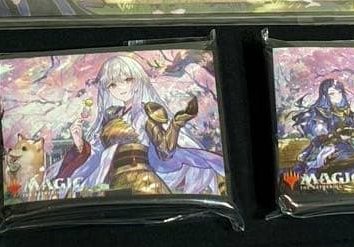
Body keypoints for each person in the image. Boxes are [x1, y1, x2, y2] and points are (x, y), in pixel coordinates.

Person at [51, 54, 224, 195]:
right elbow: (97, 153)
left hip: (143, 182)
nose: (121, 87)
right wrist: (79, 143)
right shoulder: (111, 115)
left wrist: (176, 124)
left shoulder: (147, 113)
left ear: (137, 80)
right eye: (113, 84)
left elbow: (164, 151)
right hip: (113, 181)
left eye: (127, 79)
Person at [291, 78, 354, 176]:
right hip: (327, 148)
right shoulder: (318, 113)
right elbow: (319, 136)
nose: (338, 96)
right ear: (325, 96)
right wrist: (339, 134)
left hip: (349, 148)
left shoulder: (346, 112)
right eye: (332, 94)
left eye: (339, 92)